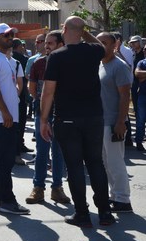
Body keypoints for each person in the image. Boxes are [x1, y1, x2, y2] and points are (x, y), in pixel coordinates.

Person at [40, 16, 114, 227]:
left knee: (74, 166)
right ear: (81, 32)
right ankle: (105, 213)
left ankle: (82, 214)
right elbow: (101, 46)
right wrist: (84, 31)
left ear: (64, 29)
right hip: (94, 117)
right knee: (95, 163)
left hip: (67, 118)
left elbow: (48, 92)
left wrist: (43, 120)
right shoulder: (92, 52)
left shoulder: (56, 56)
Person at [0, 24, 29, 215]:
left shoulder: (5, 58)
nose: (10, 38)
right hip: (1, 118)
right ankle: (7, 201)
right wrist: (5, 112)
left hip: (5, 117)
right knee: (5, 160)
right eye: (6, 35)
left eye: (11, 35)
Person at [26, 31, 70, 205]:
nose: (46, 46)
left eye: (50, 43)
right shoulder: (38, 63)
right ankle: (38, 188)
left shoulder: (67, 63)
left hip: (61, 114)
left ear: (61, 44)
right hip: (41, 113)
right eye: (45, 43)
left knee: (58, 151)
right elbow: (32, 89)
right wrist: (42, 105)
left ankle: (57, 188)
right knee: (42, 150)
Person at [97, 32, 133, 213]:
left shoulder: (119, 66)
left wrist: (121, 121)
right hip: (100, 122)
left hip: (113, 122)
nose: (101, 46)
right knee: (105, 162)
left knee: (115, 162)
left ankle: (123, 200)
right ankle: (115, 196)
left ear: (114, 45)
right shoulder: (100, 64)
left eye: (105, 43)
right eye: (98, 42)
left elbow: (125, 95)